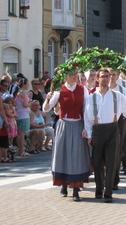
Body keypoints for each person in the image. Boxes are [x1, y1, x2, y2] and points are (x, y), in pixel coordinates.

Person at [84, 68, 126, 203]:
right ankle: (99, 189)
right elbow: (87, 118)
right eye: (102, 77)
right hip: (98, 130)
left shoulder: (117, 96)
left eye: (107, 76)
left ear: (110, 78)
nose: (105, 79)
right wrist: (89, 135)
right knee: (98, 162)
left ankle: (109, 192)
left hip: (113, 130)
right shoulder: (91, 97)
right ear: (97, 79)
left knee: (112, 162)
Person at [43, 70, 90, 201]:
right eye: (71, 75)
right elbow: (46, 109)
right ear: (66, 76)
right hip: (64, 125)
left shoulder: (83, 89)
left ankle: (76, 189)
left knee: (77, 156)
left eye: (75, 74)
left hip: (78, 125)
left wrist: (87, 127)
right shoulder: (59, 91)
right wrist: (47, 98)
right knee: (62, 154)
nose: (74, 77)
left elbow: (87, 109)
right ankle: (63, 185)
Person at [14, 77, 31, 157]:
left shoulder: (17, 92)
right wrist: (31, 103)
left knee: (19, 134)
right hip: (23, 115)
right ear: (24, 84)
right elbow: (25, 104)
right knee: (22, 135)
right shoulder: (23, 93)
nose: (28, 85)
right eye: (27, 84)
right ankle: (22, 151)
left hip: (19, 115)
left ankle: (20, 150)